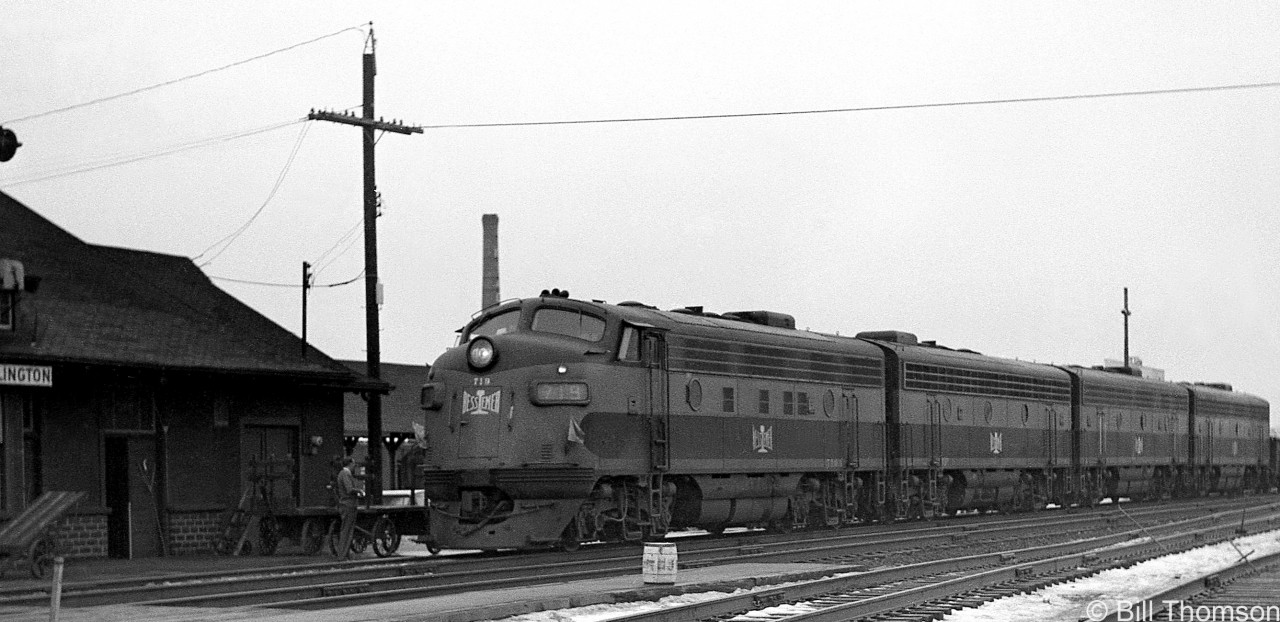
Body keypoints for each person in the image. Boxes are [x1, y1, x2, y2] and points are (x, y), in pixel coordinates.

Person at [334, 456, 365, 559]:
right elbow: (349, 489)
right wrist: (359, 491)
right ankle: (342, 555)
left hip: (345, 504)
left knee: (346, 530)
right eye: (353, 463)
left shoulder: (342, 473)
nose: (354, 465)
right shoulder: (346, 474)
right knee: (347, 531)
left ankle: (344, 554)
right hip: (349, 504)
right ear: (350, 464)